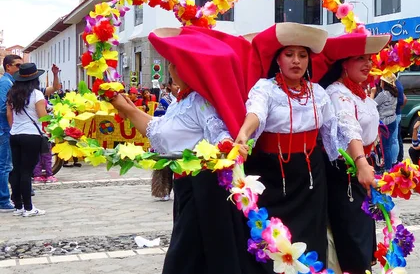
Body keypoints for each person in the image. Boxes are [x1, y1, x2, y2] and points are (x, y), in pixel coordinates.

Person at [111, 26, 255, 274]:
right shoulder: (184, 101)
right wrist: (127, 109)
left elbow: (221, 136)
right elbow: (157, 130)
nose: (170, 69)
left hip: (206, 191)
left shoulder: (202, 103)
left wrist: (230, 146)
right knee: (193, 259)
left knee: (184, 260)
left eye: (174, 64)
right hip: (188, 189)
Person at [235, 23, 338, 273]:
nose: (296, 61)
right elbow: (256, 112)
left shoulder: (318, 93)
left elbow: (332, 133)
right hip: (271, 175)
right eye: (289, 54)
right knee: (270, 240)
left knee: (309, 237)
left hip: (310, 177)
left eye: (302, 55)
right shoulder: (265, 89)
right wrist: (244, 134)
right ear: (278, 60)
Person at [314, 32, 391, 274]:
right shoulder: (337, 93)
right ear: (344, 63)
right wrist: (360, 162)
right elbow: (348, 127)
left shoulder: (359, 93)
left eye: (370, 58)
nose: (368, 63)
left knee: (362, 232)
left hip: (361, 169)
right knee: (350, 236)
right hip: (343, 173)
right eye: (360, 58)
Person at [7, 63, 48, 217]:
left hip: (15, 134)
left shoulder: (12, 93)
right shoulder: (37, 94)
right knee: (26, 172)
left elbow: (9, 115)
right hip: (31, 135)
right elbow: (42, 116)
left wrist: (14, 128)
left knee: (16, 170)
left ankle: (18, 206)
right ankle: (29, 208)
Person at [151, 77, 180, 201]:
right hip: (167, 136)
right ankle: (163, 191)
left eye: (179, 84)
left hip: (182, 138)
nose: (177, 87)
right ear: (169, 86)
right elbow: (157, 117)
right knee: (165, 166)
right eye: (175, 84)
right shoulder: (165, 101)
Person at [0, 54, 22, 212]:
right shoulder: (5, 83)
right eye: (18, 65)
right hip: (4, 129)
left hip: (7, 128)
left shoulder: (11, 83)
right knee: (4, 165)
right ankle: (3, 200)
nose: (20, 69)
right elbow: (2, 107)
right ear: (8, 66)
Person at [373, 75, 398, 171]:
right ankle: (389, 166)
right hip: (392, 121)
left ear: (385, 83)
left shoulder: (383, 95)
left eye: (382, 81)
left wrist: (372, 93)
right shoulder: (394, 93)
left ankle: (388, 169)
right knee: (389, 145)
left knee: (385, 147)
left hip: (385, 123)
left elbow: (373, 104)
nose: (380, 83)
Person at [393, 75, 407, 163]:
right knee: (397, 138)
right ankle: (399, 159)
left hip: (393, 115)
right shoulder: (398, 84)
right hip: (397, 114)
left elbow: (404, 99)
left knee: (394, 139)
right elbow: (405, 99)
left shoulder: (395, 85)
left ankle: (396, 160)